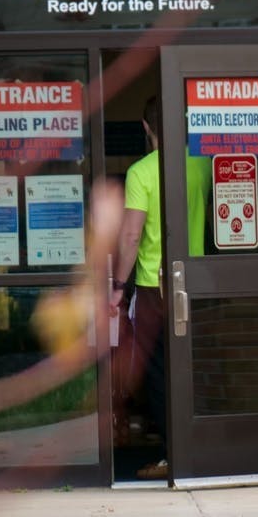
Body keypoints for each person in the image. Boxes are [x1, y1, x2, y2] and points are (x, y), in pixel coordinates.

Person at [109, 97, 169, 480]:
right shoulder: (199, 164)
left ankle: (170, 454)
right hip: (195, 286)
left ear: (146, 128)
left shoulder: (141, 172)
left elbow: (131, 236)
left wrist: (117, 287)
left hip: (153, 286)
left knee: (156, 373)